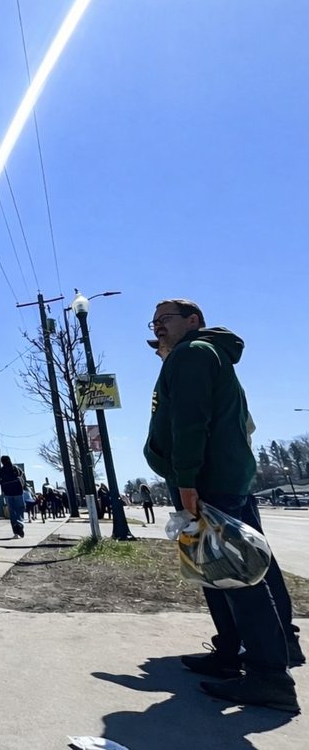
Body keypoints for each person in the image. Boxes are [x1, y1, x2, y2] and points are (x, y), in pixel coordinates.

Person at [143, 298, 301, 712]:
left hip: (208, 482)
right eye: (153, 322)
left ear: (193, 320)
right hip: (215, 479)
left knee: (237, 577)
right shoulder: (198, 354)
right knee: (215, 572)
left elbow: (190, 421)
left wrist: (187, 481)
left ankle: (270, 676)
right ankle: (231, 652)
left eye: (164, 319)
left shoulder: (194, 353)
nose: (157, 326)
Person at [0, 456, 26, 539]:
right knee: (20, 509)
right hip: (18, 491)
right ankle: (20, 525)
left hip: (8, 493)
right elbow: (21, 475)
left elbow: (0, 480)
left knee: (12, 512)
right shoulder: (15, 468)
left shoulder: (2, 470)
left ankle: (15, 531)